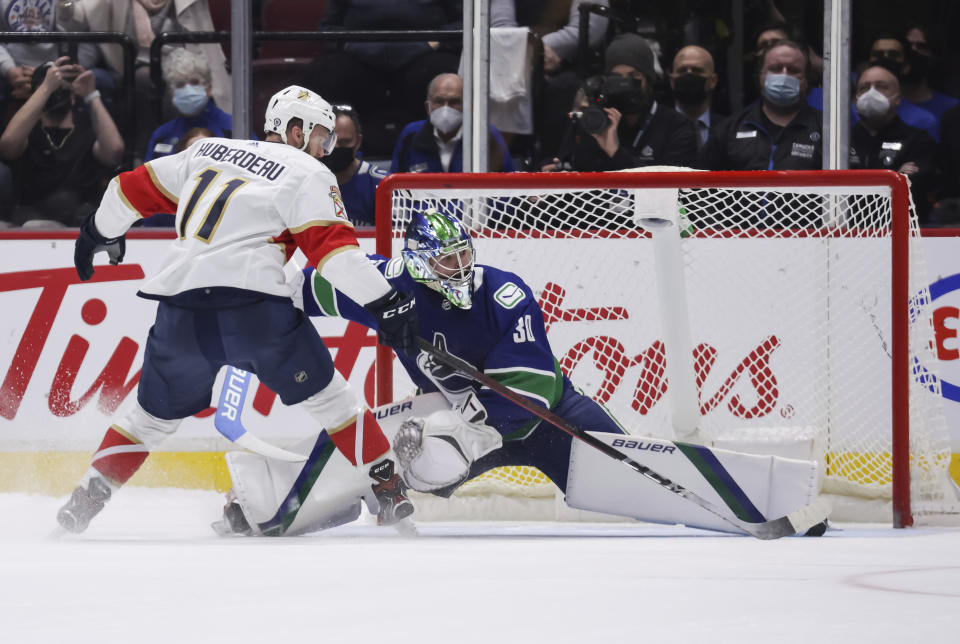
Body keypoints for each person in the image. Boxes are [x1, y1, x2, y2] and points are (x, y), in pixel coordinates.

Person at [55, 85, 419, 533]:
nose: (325, 149)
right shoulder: (305, 170)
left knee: (148, 420)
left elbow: (126, 191)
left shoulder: (206, 150)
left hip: (181, 312)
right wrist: (388, 301)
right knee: (333, 402)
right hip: (257, 312)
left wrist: (97, 231)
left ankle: (87, 498)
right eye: (323, 135)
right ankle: (388, 490)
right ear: (295, 129)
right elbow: (336, 256)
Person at [216, 208, 627, 536]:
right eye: (448, 260)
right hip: (445, 414)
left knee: (629, 474)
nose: (461, 267)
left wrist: (462, 429)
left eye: (464, 254)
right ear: (419, 263)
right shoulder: (383, 286)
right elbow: (304, 291)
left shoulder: (504, 295)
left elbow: (531, 391)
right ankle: (267, 498)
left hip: (548, 419)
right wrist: (253, 303)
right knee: (399, 459)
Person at [307, 0, 462, 158]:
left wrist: (435, 42)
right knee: (327, 72)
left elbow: (464, 23)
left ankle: (433, 157)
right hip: (360, 56)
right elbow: (327, 29)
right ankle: (335, 155)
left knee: (445, 78)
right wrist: (349, 45)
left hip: (423, 55)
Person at [546, 33, 698, 171]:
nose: (625, 86)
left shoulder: (677, 126)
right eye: (616, 78)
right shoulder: (593, 123)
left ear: (649, 80)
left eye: (634, 77)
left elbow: (671, 189)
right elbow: (562, 165)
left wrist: (616, 152)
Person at [0, 57, 124, 227]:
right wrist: (46, 87)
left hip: (77, 221)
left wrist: (91, 94)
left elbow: (114, 152)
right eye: (52, 87)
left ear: (73, 95)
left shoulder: (88, 127)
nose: (57, 93)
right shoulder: (28, 131)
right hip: (29, 219)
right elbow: (8, 145)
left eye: (62, 87)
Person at [702, 41, 821, 171]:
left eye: (793, 70)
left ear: (806, 81)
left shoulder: (825, 131)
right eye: (775, 68)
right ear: (761, 76)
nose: (784, 74)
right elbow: (702, 186)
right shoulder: (728, 131)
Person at [849, 61, 935, 221]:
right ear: (856, 97)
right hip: (850, 232)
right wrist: (895, 175)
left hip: (902, 233)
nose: (871, 93)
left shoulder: (917, 141)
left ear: (898, 98)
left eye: (881, 87)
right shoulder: (842, 141)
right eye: (864, 87)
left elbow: (912, 190)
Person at [391, 73, 515, 173]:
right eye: (439, 101)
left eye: (454, 102)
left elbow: (508, 187)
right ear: (428, 107)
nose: (446, 108)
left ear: (467, 106)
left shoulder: (486, 135)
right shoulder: (411, 134)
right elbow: (393, 187)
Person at [144, 48, 232, 162]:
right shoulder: (162, 135)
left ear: (209, 88)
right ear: (171, 93)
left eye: (194, 82)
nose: (188, 89)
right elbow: (147, 177)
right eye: (180, 84)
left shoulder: (233, 129)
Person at [321, 104, 385, 227]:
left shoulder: (380, 185)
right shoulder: (307, 181)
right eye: (331, 142)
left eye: (345, 142)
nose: (337, 148)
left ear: (358, 142)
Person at [669, 45, 725, 150]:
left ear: (713, 81)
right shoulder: (657, 128)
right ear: (672, 81)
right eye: (682, 70)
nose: (689, 74)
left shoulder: (727, 129)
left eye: (697, 70)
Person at [901, 24, 958, 122]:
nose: (913, 50)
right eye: (908, 45)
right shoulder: (883, 105)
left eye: (921, 46)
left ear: (933, 55)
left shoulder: (952, 108)